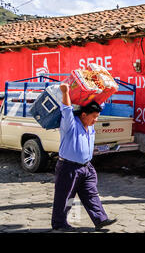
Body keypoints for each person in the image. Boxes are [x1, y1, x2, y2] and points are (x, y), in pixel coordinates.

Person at [51, 83, 117, 232]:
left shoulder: (90, 125)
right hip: (68, 167)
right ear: (83, 115)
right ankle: (59, 224)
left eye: (97, 117)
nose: (96, 120)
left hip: (86, 167)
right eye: (94, 117)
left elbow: (99, 102)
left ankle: (100, 219)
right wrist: (66, 92)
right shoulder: (70, 125)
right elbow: (67, 110)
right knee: (65, 197)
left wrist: (107, 89)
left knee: (91, 193)